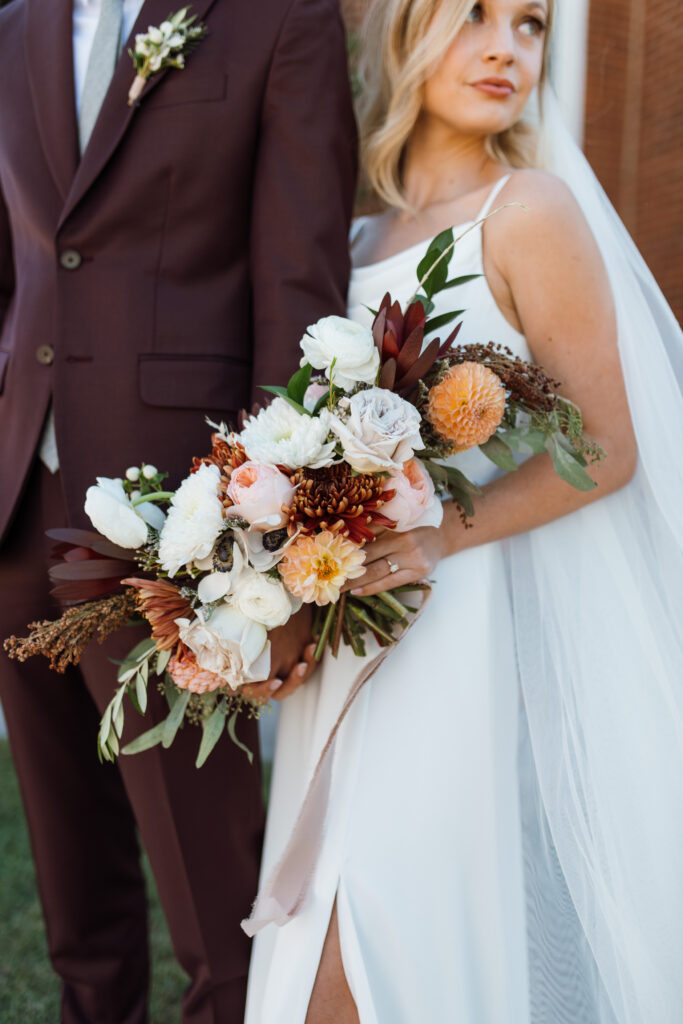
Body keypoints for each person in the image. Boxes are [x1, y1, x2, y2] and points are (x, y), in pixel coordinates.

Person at [245, 1, 683, 1022]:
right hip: (355, 641)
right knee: (325, 942)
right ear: (403, 34)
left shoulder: (525, 209)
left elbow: (607, 449)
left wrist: (440, 531)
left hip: (463, 636)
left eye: (529, 25)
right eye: (472, 18)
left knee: (403, 946)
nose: (505, 49)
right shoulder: (350, 235)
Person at [0, 0, 355, 1020]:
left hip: (185, 515)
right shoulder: (19, 26)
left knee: (213, 893)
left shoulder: (279, 19)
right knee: (71, 876)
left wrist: (267, 527)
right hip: (21, 494)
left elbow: (297, 283)